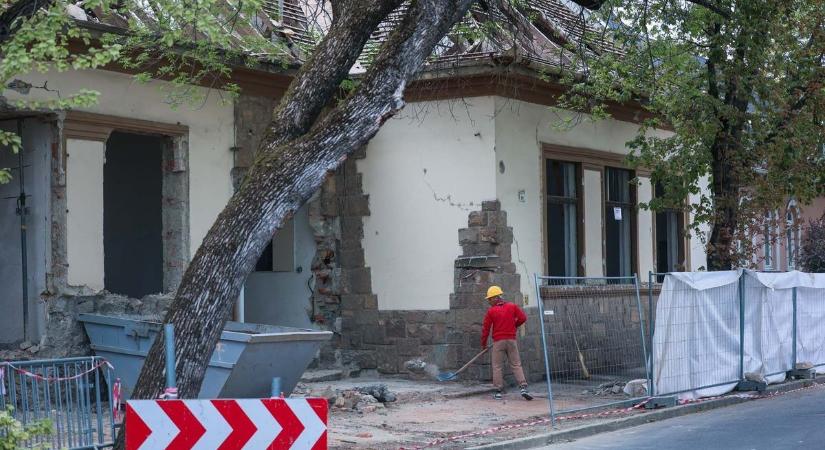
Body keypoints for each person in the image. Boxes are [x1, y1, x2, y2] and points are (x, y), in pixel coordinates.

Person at [481, 285, 532, 400]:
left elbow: (486, 329)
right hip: (511, 340)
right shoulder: (512, 306)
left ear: (495, 298)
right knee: (516, 364)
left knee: (497, 366)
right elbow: (523, 318)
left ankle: (498, 391)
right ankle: (523, 387)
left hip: (498, 342)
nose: (489, 301)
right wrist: (514, 326)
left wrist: (483, 344)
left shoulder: (491, 311)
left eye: (489, 299)